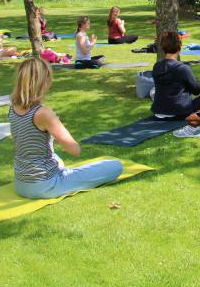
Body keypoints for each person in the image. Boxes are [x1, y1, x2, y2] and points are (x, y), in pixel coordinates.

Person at [10, 57, 122, 199]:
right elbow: (75, 150)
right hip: (45, 185)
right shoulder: (44, 113)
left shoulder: (13, 108)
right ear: (44, 82)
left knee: (56, 158)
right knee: (116, 166)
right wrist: (55, 126)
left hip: (21, 184)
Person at [151, 31, 200, 121]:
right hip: (180, 112)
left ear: (163, 47)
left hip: (158, 111)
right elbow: (196, 90)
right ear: (179, 46)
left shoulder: (156, 66)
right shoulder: (182, 68)